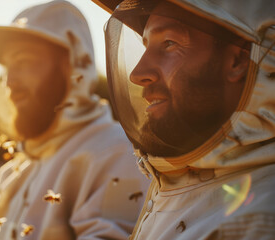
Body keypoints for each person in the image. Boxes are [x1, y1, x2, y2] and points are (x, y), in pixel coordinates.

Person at [91, 0, 275, 239]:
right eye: (146, 45)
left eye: (169, 43)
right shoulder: (175, 185)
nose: (137, 73)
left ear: (238, 61)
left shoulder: (259, 220)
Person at [0, 1, 149, 239]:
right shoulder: (12, 173)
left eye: (23, 62)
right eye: (8, 67)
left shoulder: (118, 156)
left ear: (73, 68)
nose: (10, 82)